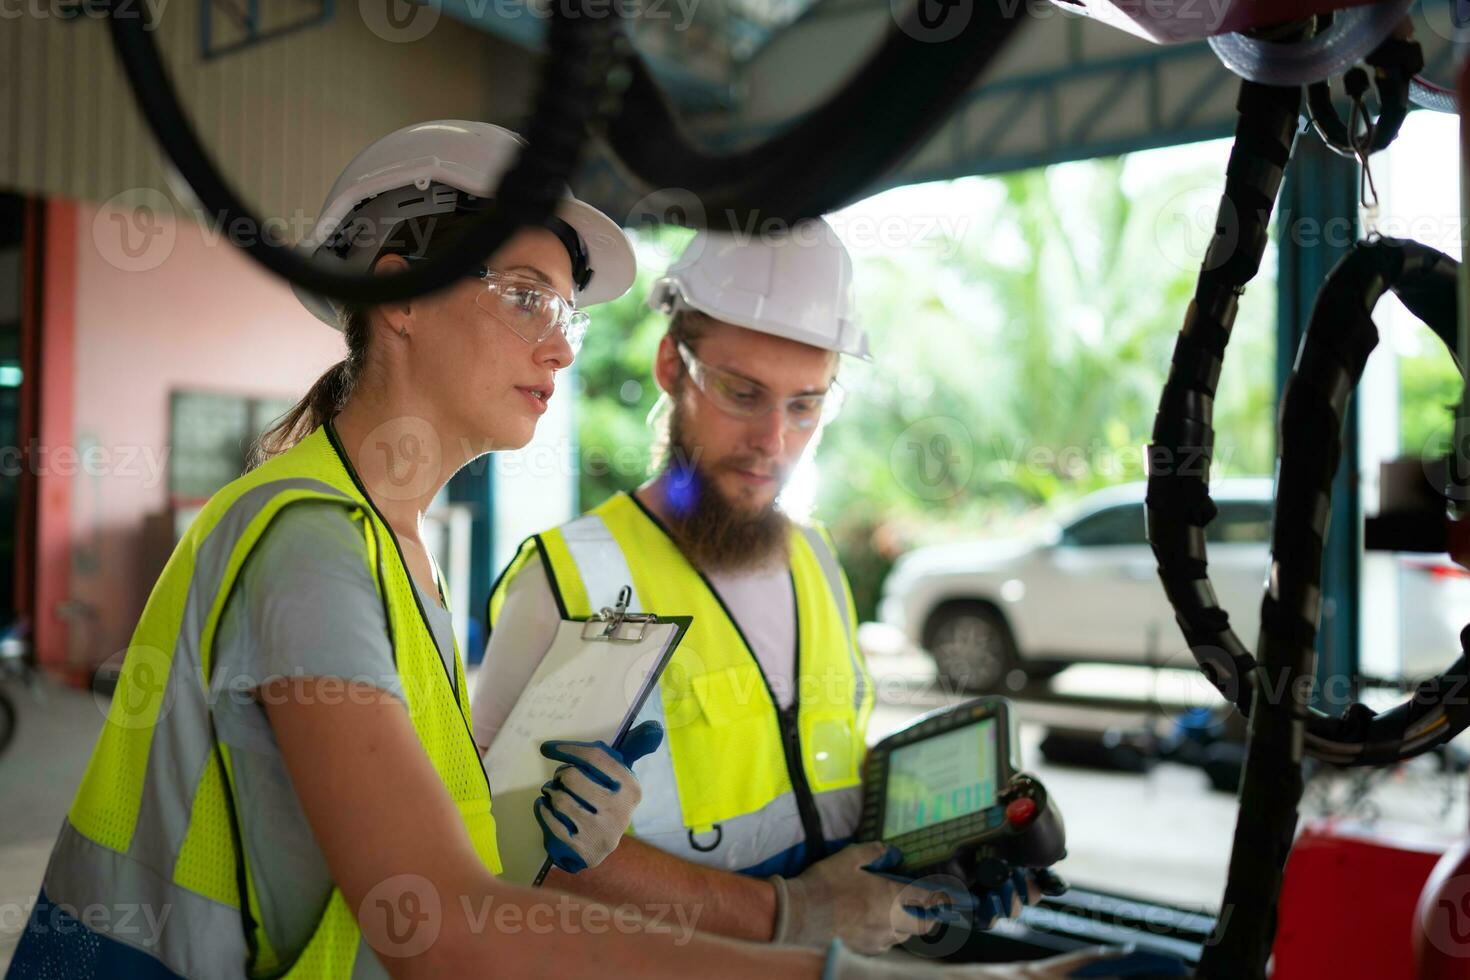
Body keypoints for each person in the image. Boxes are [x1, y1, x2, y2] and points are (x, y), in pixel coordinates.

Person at [7, 120, 1132, 980]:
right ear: (394, 291)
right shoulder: (313, 547)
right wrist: (815, 956)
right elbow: (438, 918)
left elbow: (440, 855)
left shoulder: (403, 548)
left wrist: (551, 832)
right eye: (524, 296)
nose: (557, 342)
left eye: (566, 313)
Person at [472, 222, 1039, 955]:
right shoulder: (571, 580)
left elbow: (824, 769)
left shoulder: (815, 560)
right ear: (672, 366)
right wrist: (789, 912)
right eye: (744, 393)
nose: (774, 441)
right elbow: (508, 854)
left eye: (807, 405)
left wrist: (954, 843)